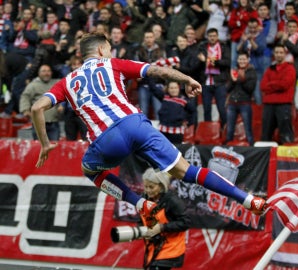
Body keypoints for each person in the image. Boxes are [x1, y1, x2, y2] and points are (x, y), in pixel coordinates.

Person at [31, 33, 266, 227]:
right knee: (186, 170)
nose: (111, 52)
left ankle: (140, 204)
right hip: (136, 124)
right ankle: (248, 200)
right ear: (102, 49)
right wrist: (186, 79)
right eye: (110, 48)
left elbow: (36, 108)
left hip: (106, 139)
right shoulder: (113, 64)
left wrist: (44, 143)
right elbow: (157, 71)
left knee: (90, 169)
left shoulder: (67, 81)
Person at [141, 168, 190, 270]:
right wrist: (142, 232)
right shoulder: (143, 199)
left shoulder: (172, 201)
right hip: (152, 248)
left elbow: (186, 222)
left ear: (161, 185)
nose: (148, 190)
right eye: (146, 187)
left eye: (151, 187)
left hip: (170, 249)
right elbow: (141, 220)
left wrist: (162, 227)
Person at [260, 44, 296, 144]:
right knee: (266, 134)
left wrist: (271, 84)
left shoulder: (290, 69)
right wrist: (277, 84)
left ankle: (288, 158)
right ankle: (265, 157)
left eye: (281, 52)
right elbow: (262, 86)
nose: (279, 55)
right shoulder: (269, 69)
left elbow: (284, 85)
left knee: (285, 134)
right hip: (269, 105)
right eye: (276, 52)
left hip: (283, 105)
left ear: (285, 54)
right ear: (273, 54)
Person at [198, 28, 230, 128]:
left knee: (221, 108)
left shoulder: (224, 47)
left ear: (217, 36)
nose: (212, 38)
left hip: (219, 82)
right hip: (206, 82)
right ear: (207, 37)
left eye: (214, 36)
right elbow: (197, 63)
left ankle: (225, 130)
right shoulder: (202, 47)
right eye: (210, 36)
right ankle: (208, 132)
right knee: (207, 109)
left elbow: (227, 62)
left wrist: (208, 60)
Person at [20, 65, 61, 140]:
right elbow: (25, 96)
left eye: (48, 71)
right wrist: (25, 110)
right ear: (39, 73)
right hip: (38, 123)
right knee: (39, 146)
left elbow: (64, 94)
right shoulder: (33, 85)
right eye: (44, 71)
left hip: (53, 121)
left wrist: (62, 105)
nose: (46, 73)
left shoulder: (56, 83)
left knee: (55, 146)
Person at [151, 80, 196, 144]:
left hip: (177, 133)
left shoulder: (184, 100)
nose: (173, 90)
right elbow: (153, 88)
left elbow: (193, 111)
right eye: (171, 88)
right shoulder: (164, 97)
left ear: (179, 88)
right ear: (168, 89)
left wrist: (189, 123)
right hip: (163, 131)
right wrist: (147, 74)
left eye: (175, 88)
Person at [226, 52, 257, 145]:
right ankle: (226, 151)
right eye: (240, 59)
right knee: (229, 129)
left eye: (244, 59)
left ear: (248, 60)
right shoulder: (234, 71)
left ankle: (252, 150)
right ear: (237, 60)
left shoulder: (252, 72)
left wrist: (242, 79)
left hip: (245, 103)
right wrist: (232, 80)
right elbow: (227, 89)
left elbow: (250, 89)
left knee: (248, 129)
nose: (242, 61)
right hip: (232, 103)